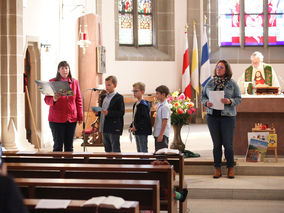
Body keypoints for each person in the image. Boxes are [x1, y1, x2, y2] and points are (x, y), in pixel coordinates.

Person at [201, 60, 242, 179]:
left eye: (221, 67)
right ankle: (217, 168)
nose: (218, 69)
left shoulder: (232, 83)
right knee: (216, 144)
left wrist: (230, 101)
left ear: (226, 70)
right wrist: (206, 103)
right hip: (212, 117)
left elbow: (239, 98)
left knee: (228, 145)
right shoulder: (210, 83)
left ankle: (230, 168)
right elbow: (203, 97)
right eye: (217, 67)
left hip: (227, 117)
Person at [44, 61, 83, 152]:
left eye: (66, 68)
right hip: (56, 119)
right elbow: (46, 100)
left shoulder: (75, 82)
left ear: (69, 70)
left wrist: (80, 116)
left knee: (69, 146)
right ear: (58, 70)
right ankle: (57, 166)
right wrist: (54, 99)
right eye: (62, 68)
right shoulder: (52, 82)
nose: (65, 70)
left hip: (71, 118)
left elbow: (78, 100)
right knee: (58, 145)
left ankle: (68, 165)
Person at [98, 76, 125, 152]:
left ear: (115, 85)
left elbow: (121, 112)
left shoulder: (119, 97)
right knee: (107, 149)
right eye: (106, 85)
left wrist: (109, 113)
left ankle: (117, 163)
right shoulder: (103, 97)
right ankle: (109, 163)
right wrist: (98, 112)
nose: (106, 87)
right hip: (104, 126)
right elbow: (102, 110)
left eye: (109, 85)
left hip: (114, 127)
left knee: (115, 148)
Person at [129, 82, 152, 152]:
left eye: (136, 91)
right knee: (139, 150)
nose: (134, 93)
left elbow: (145, 120)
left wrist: (136, 127)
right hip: (137, 130)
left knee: (143, 150)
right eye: (133, 91)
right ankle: (140, 162)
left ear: (142, 92)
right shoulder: (136, 104)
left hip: (142, 131)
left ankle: (145, 162)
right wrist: (131, 125)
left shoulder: (143, 105)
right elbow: (135, 118)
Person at [153, 85, 171, 152]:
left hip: (162, 134)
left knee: (162, 153)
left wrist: (161, 135)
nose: (156, 95)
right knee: (158, 152)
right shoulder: (160, 104)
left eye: (157, 93)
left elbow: (165, 121)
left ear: (163, 94)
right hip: (158, 133)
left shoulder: (165, 106)